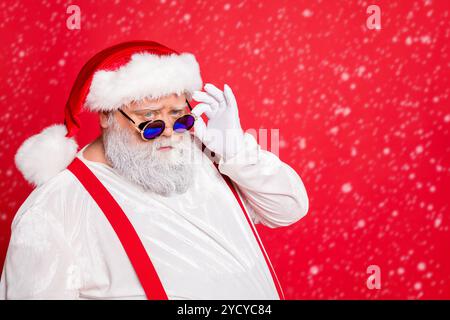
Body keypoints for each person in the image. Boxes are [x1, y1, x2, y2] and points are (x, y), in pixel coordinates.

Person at [0, 41, 309, 300]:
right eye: (149, 120)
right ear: (107, 116)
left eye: (179, 116)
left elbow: (288, 209)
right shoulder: (55, 208)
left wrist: (237, 149)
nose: (169, 132)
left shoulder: (210, 158)